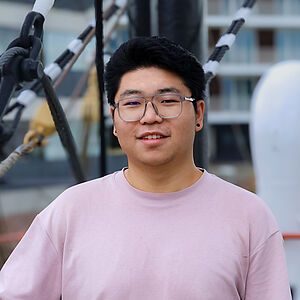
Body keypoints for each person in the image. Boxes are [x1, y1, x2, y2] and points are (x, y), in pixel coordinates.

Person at [0, 36, 291, 300]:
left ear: (198, 113)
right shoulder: (69, 212)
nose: (150, 117)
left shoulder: (249, 216)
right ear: (114, 118)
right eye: (133, 102)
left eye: (167, 101)